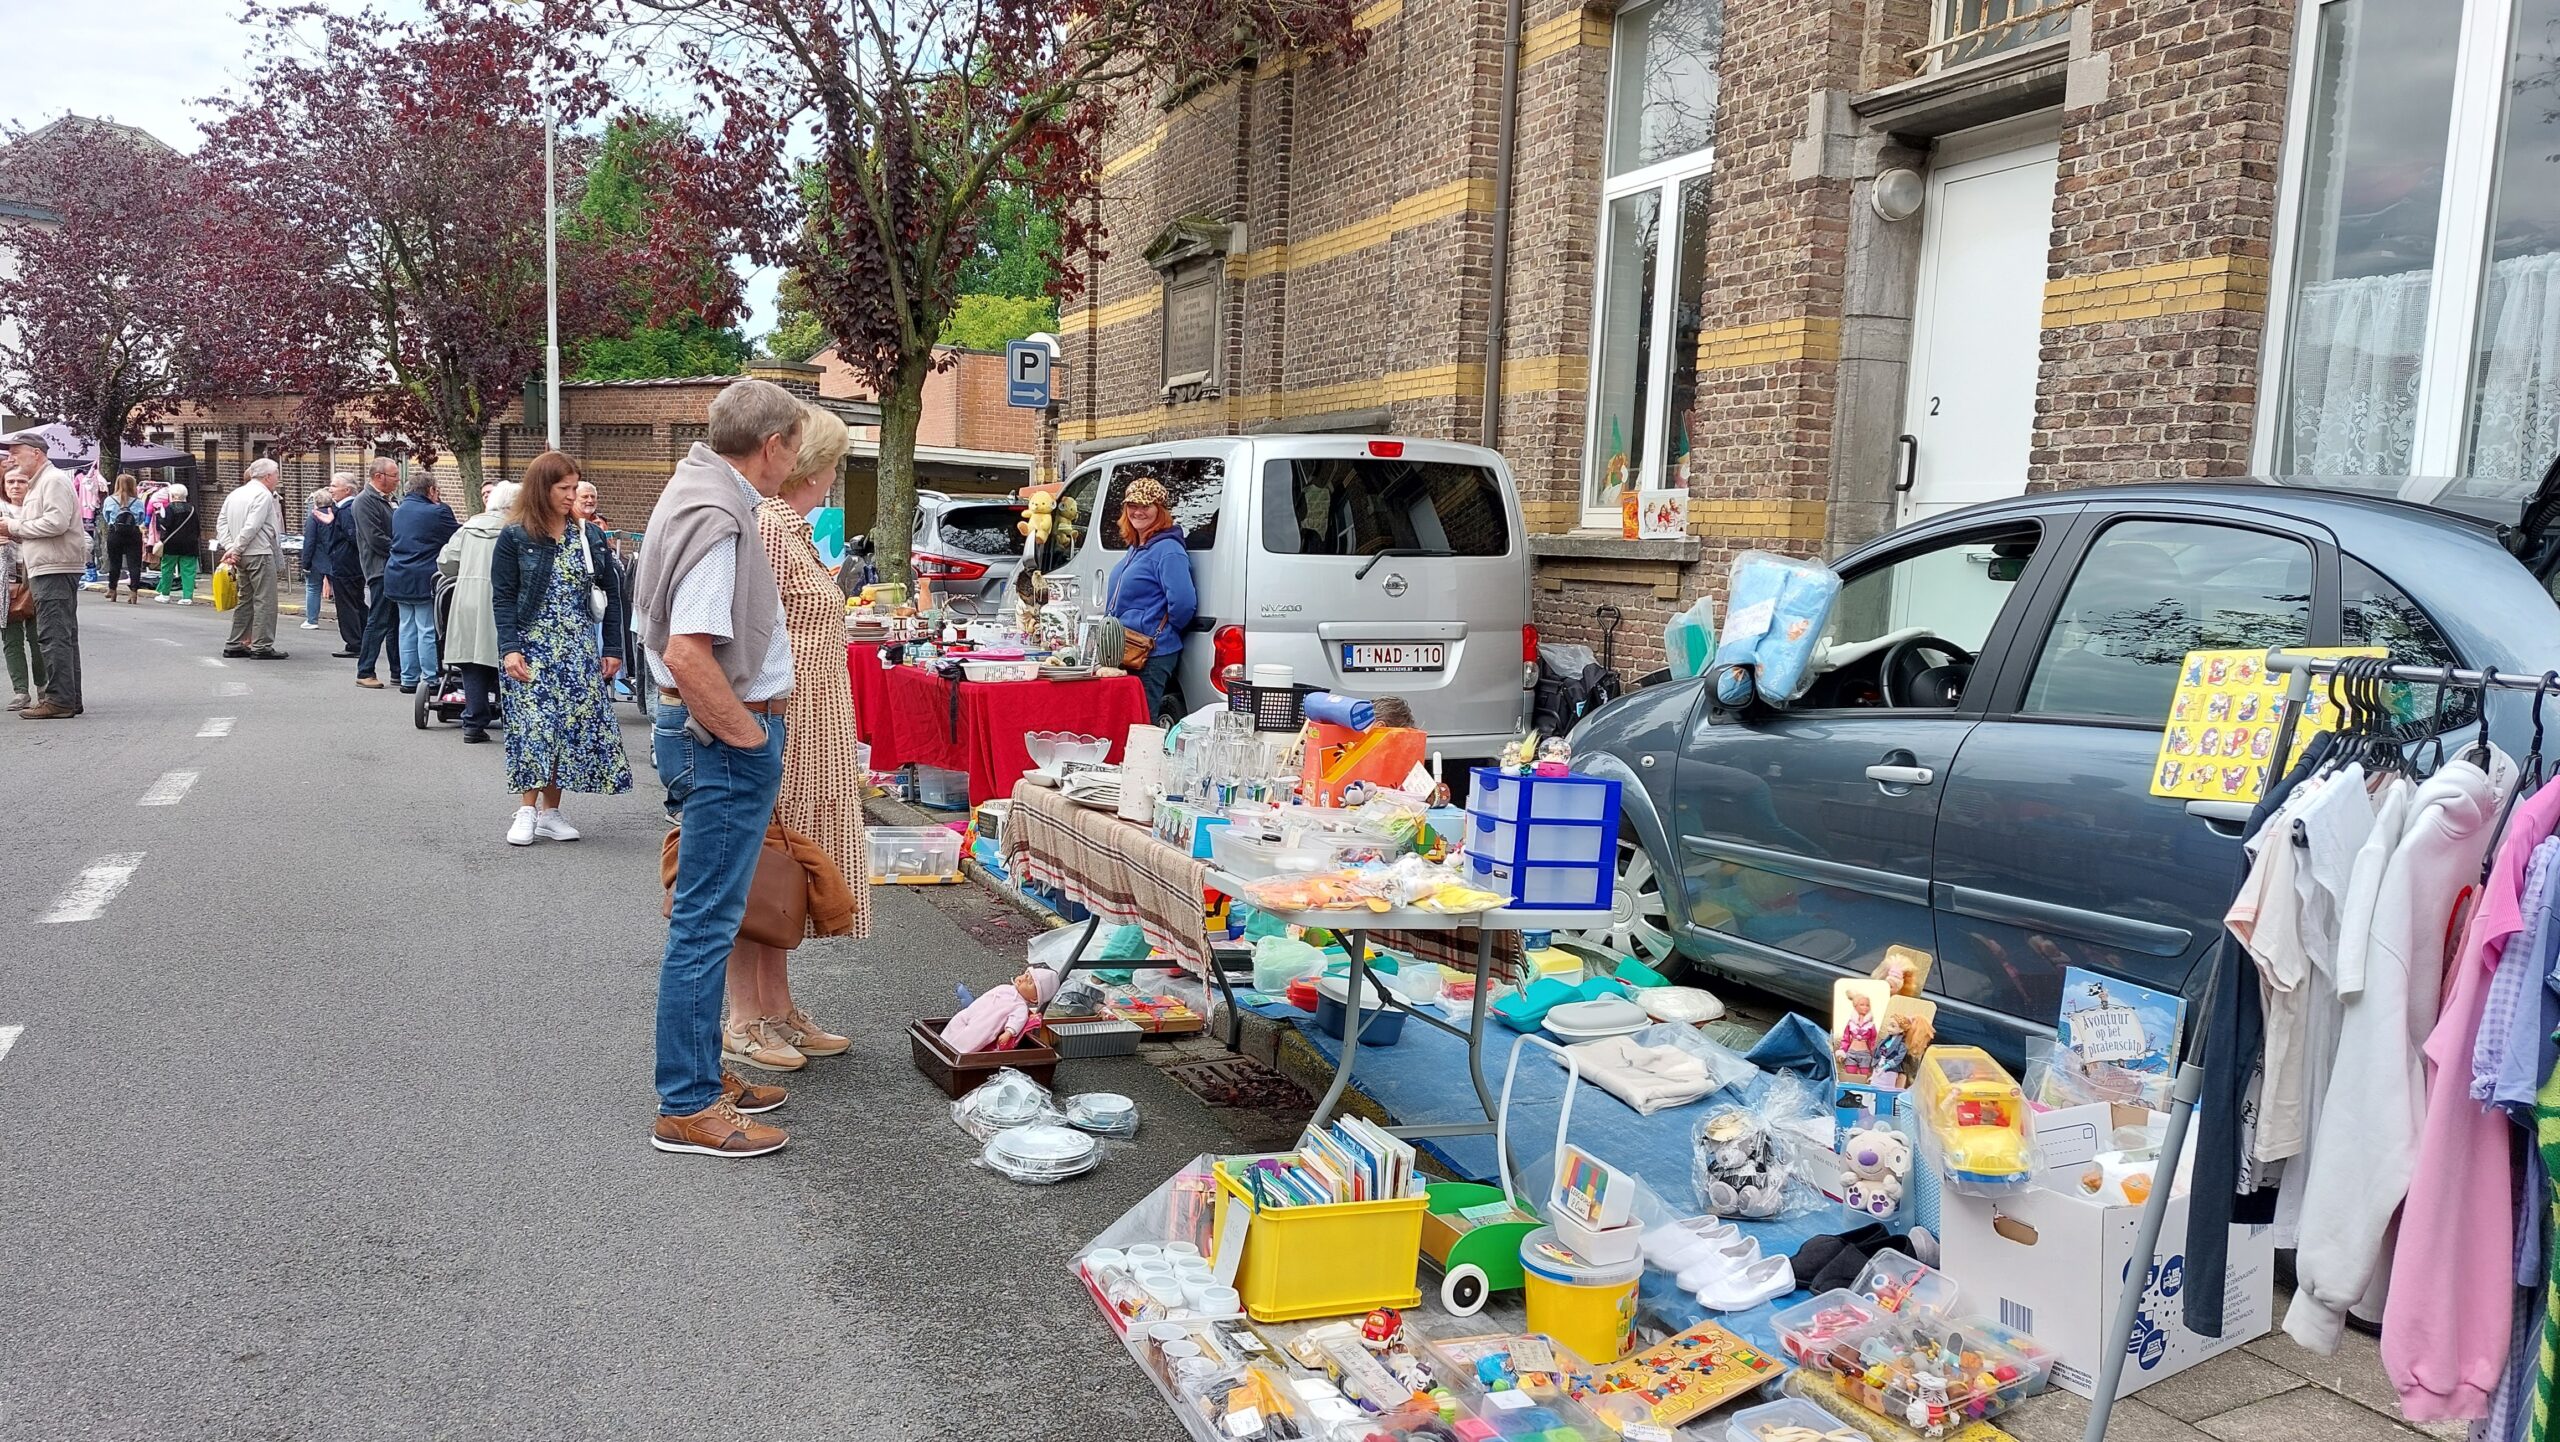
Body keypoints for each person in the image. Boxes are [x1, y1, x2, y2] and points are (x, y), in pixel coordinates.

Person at [637, 378, 803, 1157]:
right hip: (720, 741)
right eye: (793, 447)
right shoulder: (721, 513)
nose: (792, 463)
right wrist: (747, 740)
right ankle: (689, 1103)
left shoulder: (696, 489)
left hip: (702, 734)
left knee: (708, 920)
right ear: (771, 446)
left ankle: (698, 1078)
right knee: (705, 925)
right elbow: (686, 653)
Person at [722, 405, 863, 1073]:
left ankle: (775, 1004)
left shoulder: (789, 526)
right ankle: (745, 1016)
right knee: (768, 863)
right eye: (833, 460)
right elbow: (752, 629)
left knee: (786, 863)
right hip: (792, 715)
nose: (835, 473)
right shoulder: (772, 526)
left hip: (813, 717)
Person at [491, 452, 630, 844]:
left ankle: (551, 811)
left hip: (578, 647)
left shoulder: (589, 535)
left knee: (567, 729)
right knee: (534, 727)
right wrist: (510, 647)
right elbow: (502, 596)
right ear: (542, 488)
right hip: (533, 645)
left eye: (575, 487)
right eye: (563, 488)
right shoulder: (516, 535)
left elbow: (613, 594)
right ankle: (525, 809)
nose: (572, 495)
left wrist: (614, 647)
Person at [0, 430, 86, 718]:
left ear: (36, 453)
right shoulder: (43, 482)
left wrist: (12, 528)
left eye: (16, 451)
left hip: (55, 566)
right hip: (53, 564)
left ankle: (59, 700)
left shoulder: (52, 481)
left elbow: (56, 522)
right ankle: (68, 698)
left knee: (52, 634)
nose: (11, 457)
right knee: (61, 634)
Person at [1104, 475, 1199, 714]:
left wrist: (1161, 632)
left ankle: (1148, 754)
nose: (1138, 512)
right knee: (1128, 718)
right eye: (1132, 506)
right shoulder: (1137, 547)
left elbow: (1184, 603)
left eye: (1145, 506)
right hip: (1127, 649)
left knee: (1142, 721)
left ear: (1160, 509)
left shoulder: (1168, 549)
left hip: (1150, 653)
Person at [439, 480, 518, 744]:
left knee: (471, 662)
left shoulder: (469, 527)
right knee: (506, 657)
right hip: (503, 601)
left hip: (468, 601)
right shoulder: (517, 530)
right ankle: (511, 717)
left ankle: (473, 721)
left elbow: (446, 562)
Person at [385, 475, 459, 693]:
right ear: (432, 490)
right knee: (426, 628)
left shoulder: (399, 511)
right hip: (423, 577)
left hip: (398, 574)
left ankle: (408, 678)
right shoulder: (437, 512)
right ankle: (430, 679)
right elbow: (456, 535)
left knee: (406, 627)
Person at [215, 458, 288, 660]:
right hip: (259, 552)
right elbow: (252, 526)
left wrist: (230, 548)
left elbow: (221, 523)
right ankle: (262, 645)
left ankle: (235, 642)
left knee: (245, 598)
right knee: (265, 600)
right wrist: (236, 549)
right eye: (276, 474)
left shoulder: (235, 493)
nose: (277, 478)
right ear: (267, 476)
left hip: (240, 555)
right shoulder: (263, 495)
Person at [345, 457, 400, 688]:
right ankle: (365, 671)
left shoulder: (388, 500)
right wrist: (402, 548)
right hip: (379, 569)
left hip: (392, 567)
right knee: (378, 620)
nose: (398, 480)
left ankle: (398, 671)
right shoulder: (364, 501)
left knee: (395, 622)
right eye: (394, 475)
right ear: (379, 476)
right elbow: (375, 538)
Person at [1, 464, 46, 710]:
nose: (16, 486)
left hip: (35, 575)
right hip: (4, 579)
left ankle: (44, 687)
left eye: (21, 481)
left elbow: (82, 539)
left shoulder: (38, 508)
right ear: (4, 486)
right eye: (11, 482)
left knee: (38, 636)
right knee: (11, 638)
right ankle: (20, 691)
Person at [98, 474, 148, 603]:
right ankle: (133, 593)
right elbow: (141, 519)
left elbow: (107, 518)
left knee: (115, 563)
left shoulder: (110, 500)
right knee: (134, 565)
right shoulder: (138, 502)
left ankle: (112, 590)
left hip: (115, 533)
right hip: (133, 534)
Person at [150, 483, 202, 604]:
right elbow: (197, 528)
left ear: (172, 495)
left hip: (171, 544)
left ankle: (165, 594)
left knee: (167, 569)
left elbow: (165, 525)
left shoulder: (169, 509)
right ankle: (187, 597)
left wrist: (160, 517)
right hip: (190, 544)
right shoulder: (192, 509)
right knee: (188, 571)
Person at [299, 486, 338, 629]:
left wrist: (305, 563)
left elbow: (309, 542)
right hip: (334, 558)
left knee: (313, 588)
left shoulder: (313, 518)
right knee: (340, 591)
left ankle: (312, 620)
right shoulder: (336, 515)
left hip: (316, 560)